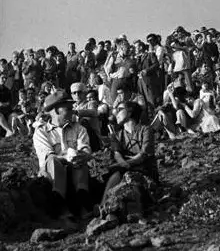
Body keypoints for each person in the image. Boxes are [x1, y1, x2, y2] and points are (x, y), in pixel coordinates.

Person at [32, 91, 93, 219]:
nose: (73, 111)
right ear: (55, 111)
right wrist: (68, 159)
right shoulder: (41, 132)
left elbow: (85, 149)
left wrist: (84, 155)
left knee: (80, 160)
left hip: (75, 169)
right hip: (52, 173)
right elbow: (47, 157)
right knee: (54, 160)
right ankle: (61, 204)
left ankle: (82, 202)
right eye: (68, 109)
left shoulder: (79, 128)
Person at [101, 101, 158, 207]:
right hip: (125, 169)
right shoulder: (117, 135)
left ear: (130, 112)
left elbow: (143, 155)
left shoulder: (145, 130)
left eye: (119, 110)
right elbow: (117, 154)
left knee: (123, 175)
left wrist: (125, 164)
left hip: (146, 173)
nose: (115, 114)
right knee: (116, 175)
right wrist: (123, 164)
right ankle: (103, 206)